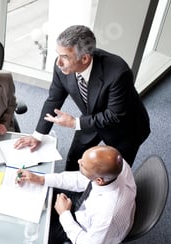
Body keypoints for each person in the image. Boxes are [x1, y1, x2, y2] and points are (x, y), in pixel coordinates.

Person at [14, 25, 150, 171]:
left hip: (124, 128)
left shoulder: (118, 72)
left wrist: (75, 123)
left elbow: (114, 115)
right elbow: (54, 99)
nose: (58, 63)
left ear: (84, 58)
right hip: (90, 118)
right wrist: (38, 135)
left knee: (115, 172)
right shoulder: (61, 66)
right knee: (75, 158)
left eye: (65, 57)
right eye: (58, 55)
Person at [16, 145, 136, 244]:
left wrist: (64, 214)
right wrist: (40, 178)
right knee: (43, 191)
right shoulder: (117, 165)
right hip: (85, 205)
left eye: (83, 165)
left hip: (87, 231)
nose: (78, 161)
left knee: (38, 235)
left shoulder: (107, 215)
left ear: (99, 180)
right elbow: (80, 179)